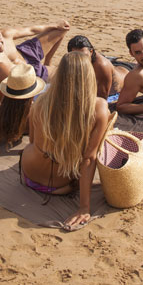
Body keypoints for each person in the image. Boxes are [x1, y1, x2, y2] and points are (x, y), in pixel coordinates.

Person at [20, 53, 110, 230]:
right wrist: (84, 207)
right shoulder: (98, 108)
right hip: (63, 185)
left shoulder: (41, 102)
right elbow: (88, 160)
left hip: (29, 174)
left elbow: (32, 141)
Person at [0, 18, 70, 104]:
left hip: (26, 52)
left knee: (60, 30)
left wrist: (56, 25)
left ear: (0, 31)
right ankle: (45, 69)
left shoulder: (6, 34)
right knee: (64, 75)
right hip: (28, 74)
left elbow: (31, 30)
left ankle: (48, 61)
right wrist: (13, 93)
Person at [0, 63, 45, 157]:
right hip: (20, 121)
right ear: (33, 95)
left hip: (3, 112)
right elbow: (36, 147)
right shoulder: (37, 112)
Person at [67, 35, 132, 98]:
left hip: (127, 72)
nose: (82, 60)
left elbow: (102, 98)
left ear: (91, 52)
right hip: (115, 66)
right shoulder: (70, 62)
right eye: (77, 57)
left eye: (85, 56)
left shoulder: (101, 66)